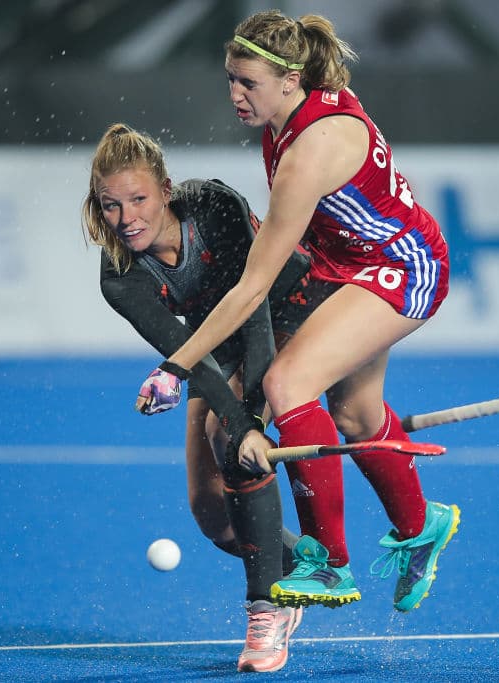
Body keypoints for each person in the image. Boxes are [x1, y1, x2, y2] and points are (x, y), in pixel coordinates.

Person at [156, 10, 461, 613]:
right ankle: (422, 526)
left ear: (291, 80)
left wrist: (177, 367)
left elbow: (251, 289)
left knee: (289, 383)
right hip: (345, 263)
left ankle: (328, 563)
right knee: (354, 414)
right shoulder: (290, 112)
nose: (235, 94)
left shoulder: (307, 153)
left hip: (401, 266)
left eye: (249, 83)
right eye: (230, 79)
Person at [81, 123, 310, 673]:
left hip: (292, 306)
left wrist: (248, 418)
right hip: (216, 337)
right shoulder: (121, 279)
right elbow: (187, 356)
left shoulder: (213, 206)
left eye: (138, 199)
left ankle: (266, 608)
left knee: (226, 434)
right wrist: (238, 416)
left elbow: (253, 307)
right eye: (111, 205)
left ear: (165, 188)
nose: (127, 217)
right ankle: (308, 564)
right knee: (213, 514)